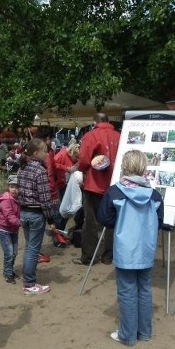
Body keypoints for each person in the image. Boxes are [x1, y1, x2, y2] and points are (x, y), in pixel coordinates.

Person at [96, 150, 164, 346]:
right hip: (146, 249)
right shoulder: (155, 195)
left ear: (125, 166)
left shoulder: (115, 192)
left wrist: (122, 221)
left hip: (125, 249)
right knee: (144, 289)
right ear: (144, 167)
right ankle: (144, 332)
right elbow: (159, 222)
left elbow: (103, 218)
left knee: (127, 291)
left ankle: (127, 335)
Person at [72, 113, 120, 266]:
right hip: (115, 184)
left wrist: (81, 168)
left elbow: (84, 160)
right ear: (108, 121)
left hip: (94, 185)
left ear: (95, 122)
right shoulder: (118, 135)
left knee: (90, 222)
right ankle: (108, 256)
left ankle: (88, 257)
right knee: (112, 221)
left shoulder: (91, 135)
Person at [16, 138, 54, 295]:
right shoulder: (40, 171)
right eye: (45, 151)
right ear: (36, 153)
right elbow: (45, 198)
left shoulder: (22, 168)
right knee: (33, 249)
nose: (47, 153)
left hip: (24, 212)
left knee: (29, 248)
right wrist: (51, 218)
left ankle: (28, 279)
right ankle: (29, 284)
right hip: (35, 214)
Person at [0, 175, 20, 284]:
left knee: (14, 252)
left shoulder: (18, 199)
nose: (14, 189)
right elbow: (9, 216)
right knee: (9, 252)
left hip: (13, 230)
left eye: (17, 187)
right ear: (8, 187)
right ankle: (8, 274)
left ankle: (9, 270)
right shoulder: (6, 200)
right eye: (12, 186)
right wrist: (20, 222)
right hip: (4, 230)